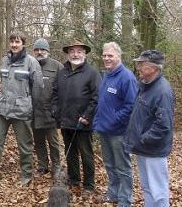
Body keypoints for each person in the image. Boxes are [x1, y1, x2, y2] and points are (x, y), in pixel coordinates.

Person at [0, 33, 43, 186]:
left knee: (24, 145)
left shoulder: (31, 62)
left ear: (23, 44)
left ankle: (26, 175)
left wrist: (30, 105)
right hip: (2, 110)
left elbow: (38, 87)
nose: (14, 45)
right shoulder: (5, 61)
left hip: (21, 111)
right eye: (12, 41)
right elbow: (3, 82)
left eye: (17, 42)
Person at [124, 50, 175, 207]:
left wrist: (144, 138)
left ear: (153, 68)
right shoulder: (145, 86)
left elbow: (163, 124)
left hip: (154, 150)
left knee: (158, 191)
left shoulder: (162, 90)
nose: (138, 67)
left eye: (142, 64)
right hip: (143, 148)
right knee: (147, 188)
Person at [51, 40, 101, 194]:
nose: (75, 54)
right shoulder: (62, 72)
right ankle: (74, 180)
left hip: (83, 123)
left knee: (86, 155)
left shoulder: (92, 73)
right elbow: (54, 94)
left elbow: (97, 97)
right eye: (72, 51)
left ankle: (89, 185)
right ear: (68, 53)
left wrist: (87, 116)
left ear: (84, 54)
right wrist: (55, 112)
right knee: (70, 154)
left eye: (79, 51)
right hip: (65, 122)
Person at [93, 42, 138, 206]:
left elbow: (131, 106)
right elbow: (103, 102)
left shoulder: (127, 77)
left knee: (122, 167)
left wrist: (114, 119)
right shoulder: (107, 75)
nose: (106, 58)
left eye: (110, 55)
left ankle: (126, 200)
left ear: (119, 56)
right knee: (110, 165)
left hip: (119, 132)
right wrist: (98, 120)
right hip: (104, 130)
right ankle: (113, 193)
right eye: (104, 55)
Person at [31, 38, 63, 176]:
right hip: (33, 110)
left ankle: (56, 166)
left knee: (53, 142)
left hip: (50, 112)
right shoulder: (29, 64)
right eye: (37, 50)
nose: (39, 52)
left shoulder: (57, 66)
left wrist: (58, 108)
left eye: (42, 49)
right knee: (38, 141)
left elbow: (63, 89)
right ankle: (42, 165)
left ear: (48, 51)